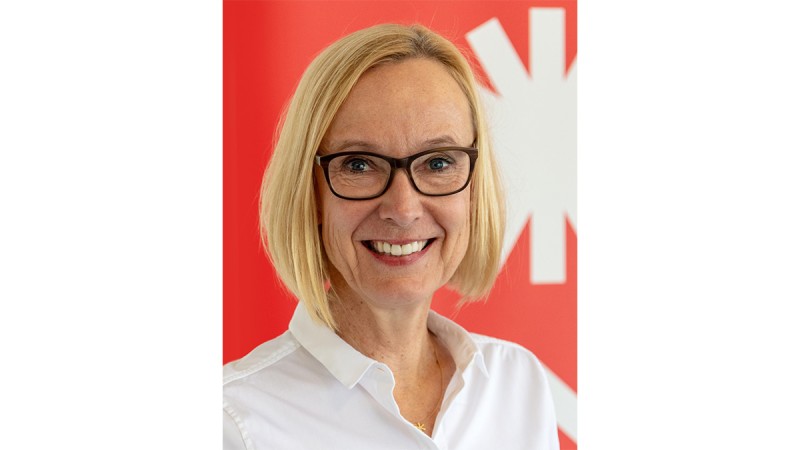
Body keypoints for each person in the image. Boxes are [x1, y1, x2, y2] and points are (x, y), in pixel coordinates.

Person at [223, 23, 559, 449]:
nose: (403, 209)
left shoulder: (517, 385)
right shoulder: (236, 423)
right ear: (309, 193)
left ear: (476, 187)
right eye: (360, 165)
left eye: (438, 163)